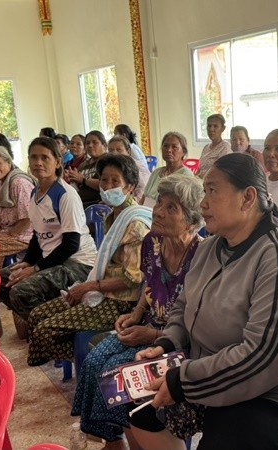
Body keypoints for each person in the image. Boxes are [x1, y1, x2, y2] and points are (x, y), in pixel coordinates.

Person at [129, 153, 278, 450]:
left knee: (225, 440)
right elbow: (185, 303)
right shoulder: (211, 247)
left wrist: (183, 380)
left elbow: (264, 358)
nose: (203, 204)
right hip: (215, 368)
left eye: (212, 191)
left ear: (247, 198)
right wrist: (169, 342)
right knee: (138, 405)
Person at [72, 174, 204, 450]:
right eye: (160, 202)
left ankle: (138, 443)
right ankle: (114, 440)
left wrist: (154, 335)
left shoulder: (202, 255)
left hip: (180, 341)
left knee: (117, 374)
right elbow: (148, 281)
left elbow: (200, 322)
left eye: (171, 207)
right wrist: (136, 312)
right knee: (95, 362)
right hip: (148, 323)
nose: (158, 211)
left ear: (192, 221)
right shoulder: (152, 241)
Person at [27, 154, 151, 366]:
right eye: (103, 180)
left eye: (115, 181)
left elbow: (132, 279)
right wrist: (88, 287)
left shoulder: (134, 224)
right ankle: (77, 358)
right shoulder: (113, 215)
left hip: (120, 302)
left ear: (129, 187)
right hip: (103, 289)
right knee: (37, 315)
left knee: (44, 330)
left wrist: (88, 287)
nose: (107, 186)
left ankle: (83, 362)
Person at [0, 137, 97, 326]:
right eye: (33, 157)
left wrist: (35, 269)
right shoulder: (35, 193)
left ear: (57, 162)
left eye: (44, 157)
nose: (38, 162)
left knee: (21, 291)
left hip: (78, 263)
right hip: (51, 260)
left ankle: (49, 329)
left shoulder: (65, 194)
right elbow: (37, 235)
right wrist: (27, 262)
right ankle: (38, 324)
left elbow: (71, 245)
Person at [0, 145, 36, 268]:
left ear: (8, 162)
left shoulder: (19, 183)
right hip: (7, 229)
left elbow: (28, 219)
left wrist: (8, 235)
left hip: (24, 235)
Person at [142, 132, 194, 208]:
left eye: (174, 147)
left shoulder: (186, 175)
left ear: (183, 152)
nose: (169, 150)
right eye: (165, 146)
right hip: (146, 211)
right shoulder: (156, 172)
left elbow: (183, 206)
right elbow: (143, 199)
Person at [65, 130, 107, 208]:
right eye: (87, 143)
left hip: (98, 205)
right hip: (80, 203)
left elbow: (107, 185)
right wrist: (71, 179)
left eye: (95, 142)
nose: (90, 145)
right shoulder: (83, 164)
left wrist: (84, 180)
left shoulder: (108, 161)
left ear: (104, 145)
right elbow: (78, 184)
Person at [109, 135, 150, 202]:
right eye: (111, 150)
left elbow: (143, 191)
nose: (114, 153)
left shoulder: (138, 167)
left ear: (128, 151)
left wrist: (129, 203)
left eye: (119, 150)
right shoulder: (111, 167)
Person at [196, 113, 231, 179]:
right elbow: (199, 170)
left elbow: (224, 173)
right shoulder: (206, 147)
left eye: (215, 126)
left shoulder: (225, 148)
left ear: (223, 128)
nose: (211, 129)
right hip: (200, 181)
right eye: (209, 126)